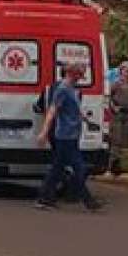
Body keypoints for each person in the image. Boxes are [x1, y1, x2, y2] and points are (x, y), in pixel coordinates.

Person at [36, 62, 102, 212]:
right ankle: (88, 201)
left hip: (72, 134)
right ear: (71, 73)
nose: (82, 77)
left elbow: (75, 110)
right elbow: (53, 110)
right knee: (79, 168)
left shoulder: (72, 90)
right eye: (80, 74)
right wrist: (44, 131)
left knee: (57, 168)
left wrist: (86, 121)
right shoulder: (62, 89)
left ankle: (44, 198)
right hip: (64, 136)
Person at [108, 61, 128, 175]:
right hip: (118, 113)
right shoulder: (116, 83)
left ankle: (121, 164)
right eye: (126, 70)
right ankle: (112, 164)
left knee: (126, 140)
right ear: (121, 71)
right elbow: (109, 97)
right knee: (116, 139)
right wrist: (113, 107)